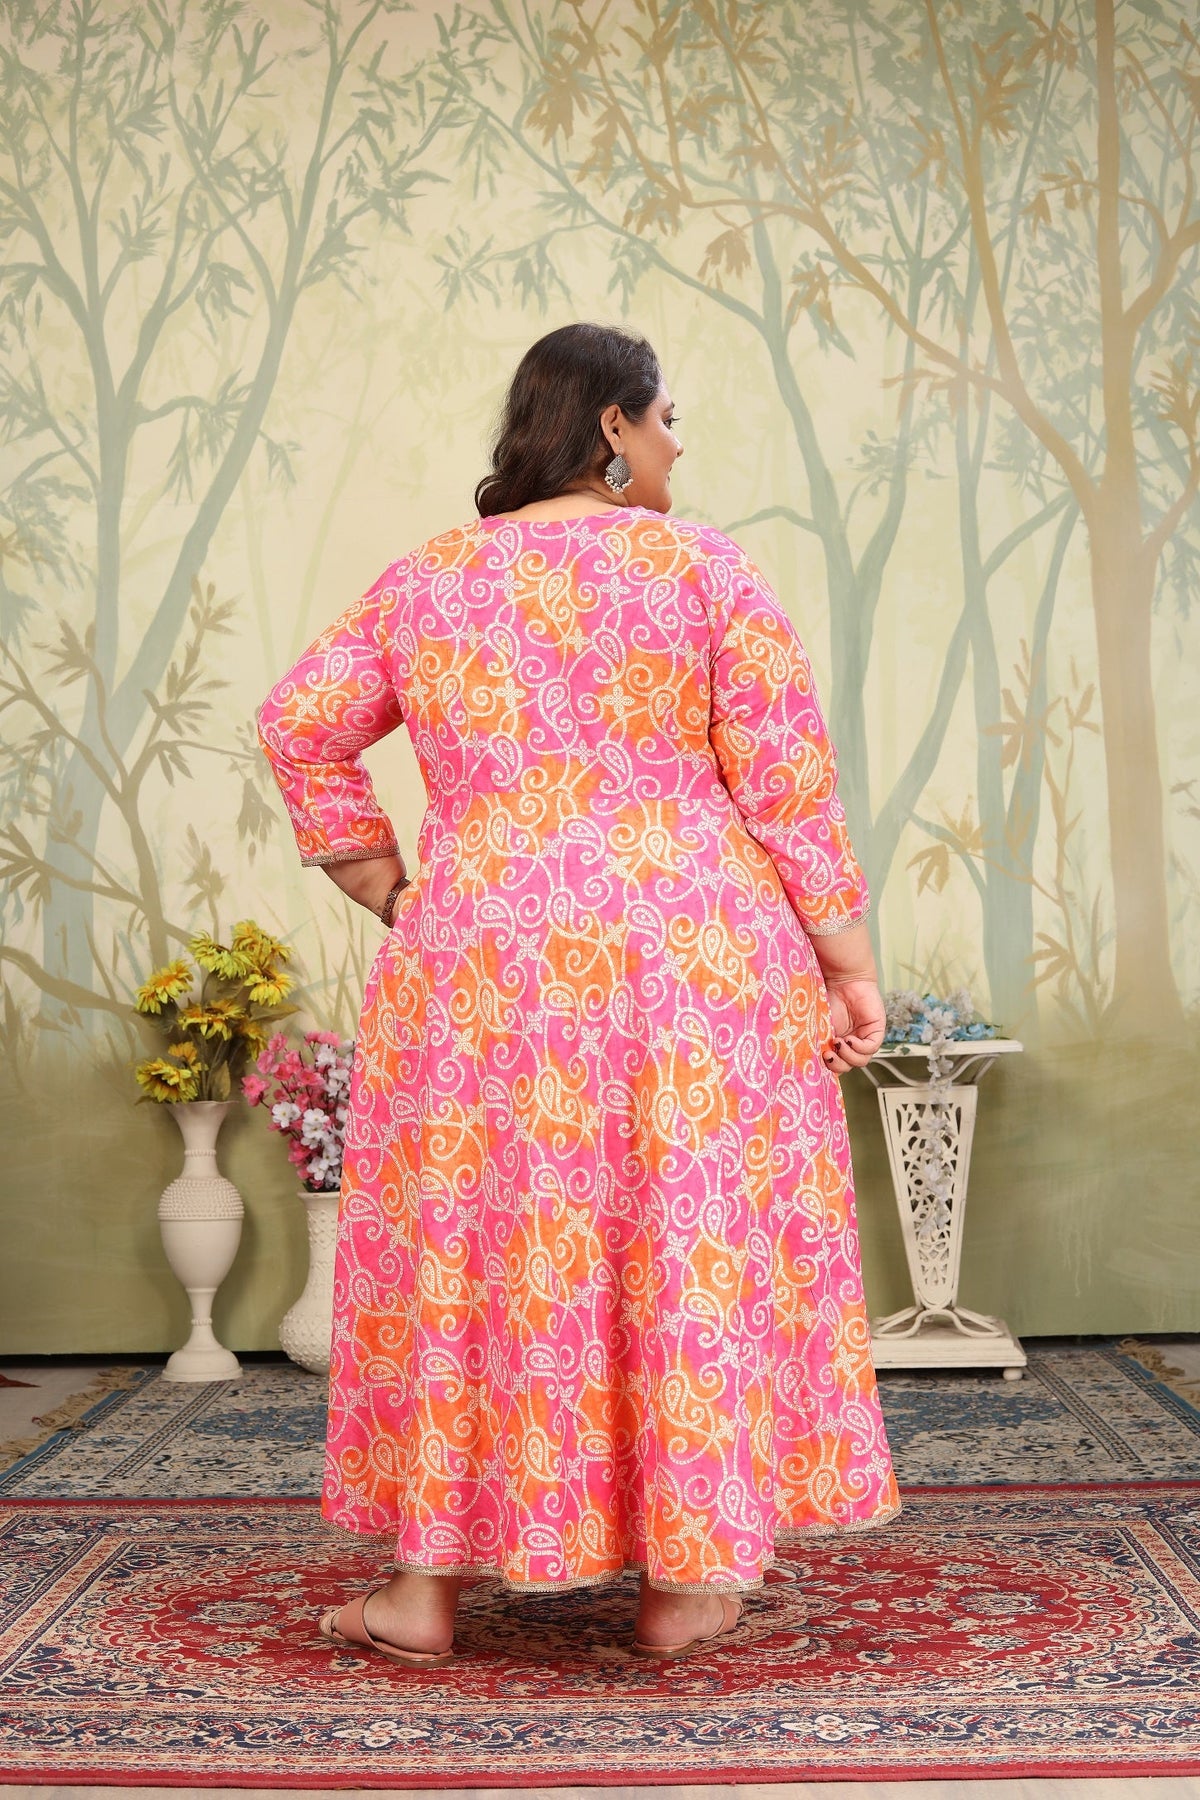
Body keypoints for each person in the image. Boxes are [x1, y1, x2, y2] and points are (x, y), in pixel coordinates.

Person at [257, 321, 900, 1669]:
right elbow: (787, 780)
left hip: (481, 957)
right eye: (666, 419)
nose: (677, 445)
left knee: (470, 1244)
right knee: (682, 1237)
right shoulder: (703, 569)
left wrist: (387, 885)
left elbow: (300, 723)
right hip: (687, 955)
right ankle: (683, 1587)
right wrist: (846, 962)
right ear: (612, 423)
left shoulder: (429, 580)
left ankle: (423, 1593)